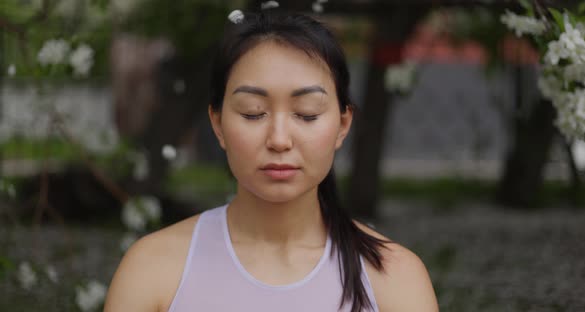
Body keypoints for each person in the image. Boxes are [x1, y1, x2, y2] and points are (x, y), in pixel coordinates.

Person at [104, 9, 438, 312]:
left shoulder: (394, 278)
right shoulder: (153, 269)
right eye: (253, 113)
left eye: (306, 115)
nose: (279, 139)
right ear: (218, 124)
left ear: (342, 125)